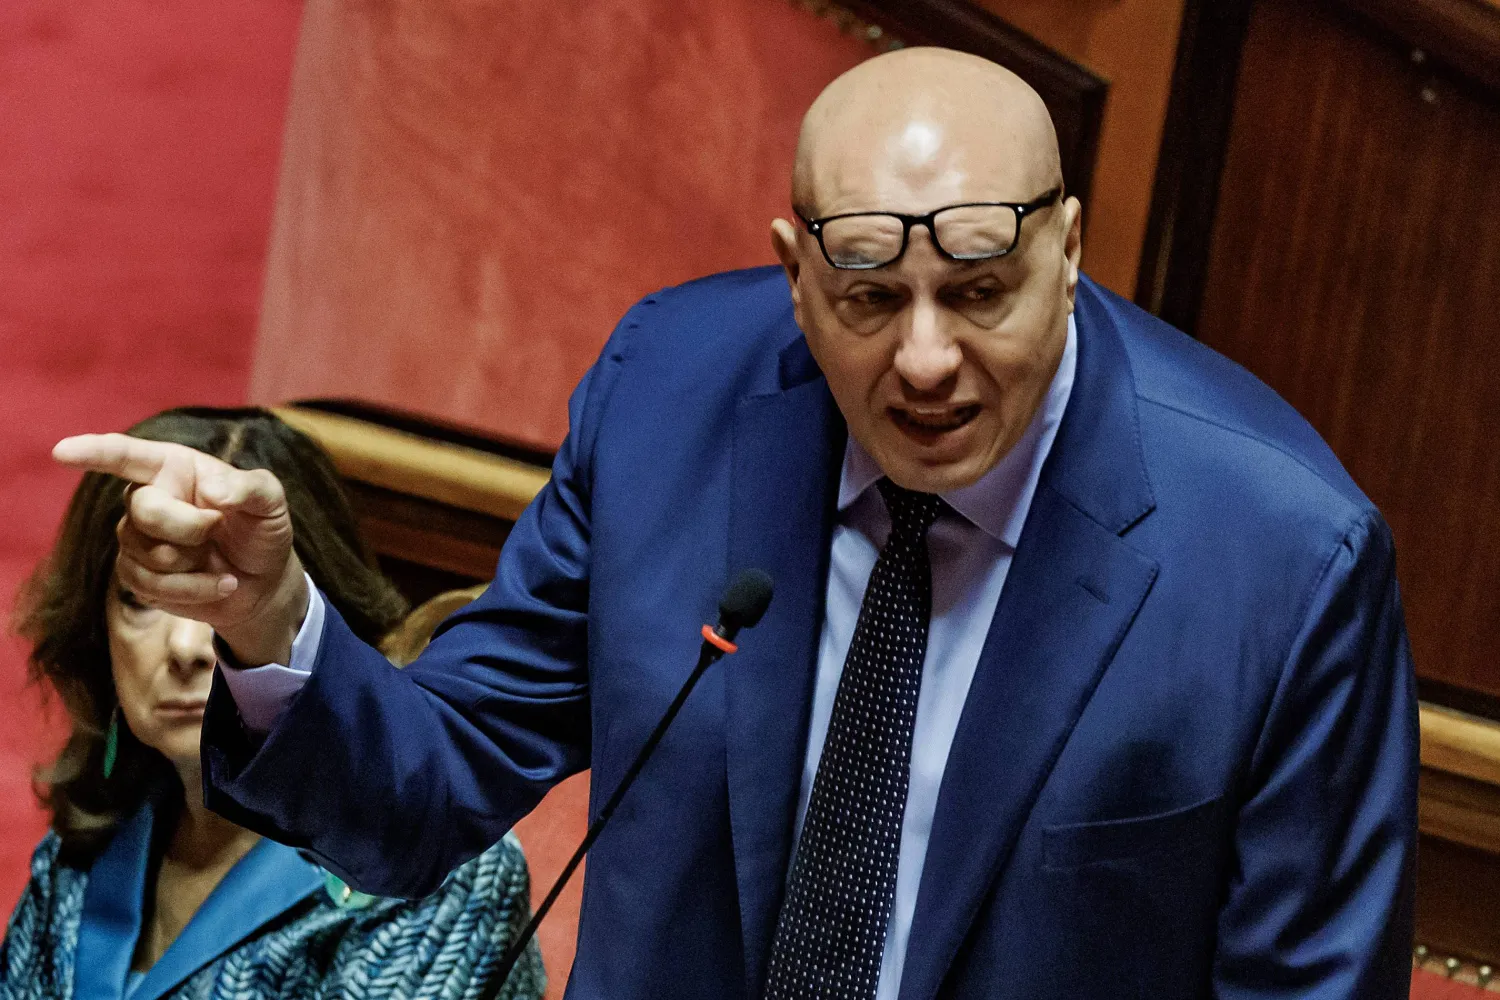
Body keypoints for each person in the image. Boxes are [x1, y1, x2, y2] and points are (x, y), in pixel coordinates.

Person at [54, 48, 1417, 1000]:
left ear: (1069, 250)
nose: (929, 361)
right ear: (796, 274)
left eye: (984, 289)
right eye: (873, 299)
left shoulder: (1282, 560)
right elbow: (441, 773)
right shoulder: (669, 402)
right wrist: (268, 621)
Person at [5, 407, 545, 1000]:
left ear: (318, 620)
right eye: (144, 598)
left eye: (229, 596)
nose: (186, 646)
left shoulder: (447, 872)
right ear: (95, 632)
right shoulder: (83, 848)